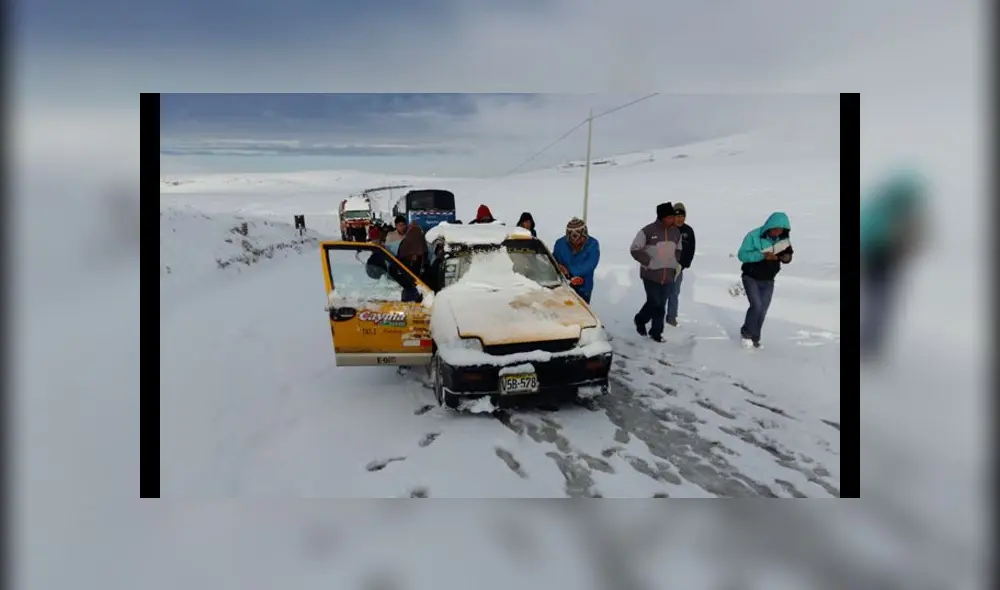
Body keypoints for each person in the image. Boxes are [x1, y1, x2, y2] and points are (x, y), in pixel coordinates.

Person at [859, 169, 927, 360]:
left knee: (878, 301)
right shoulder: (899, 212)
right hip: (884, 259)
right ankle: (871, 341)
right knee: (881, 302)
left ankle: (871, 340)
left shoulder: (881, 210)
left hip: (881, 258)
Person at [736, 212, 793, 349]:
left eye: (780, 230)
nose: (777, 232)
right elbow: (742, 255)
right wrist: (761, 255)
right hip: (751, 277)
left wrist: (783, 258)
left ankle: (755, 337)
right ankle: (746, 334)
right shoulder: (753, 236)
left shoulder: (783, 240)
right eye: (775, 229)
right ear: (769, 226)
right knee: (756, 305)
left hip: (768, 279)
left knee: (763, 310)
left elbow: (788, 256)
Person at [630, 203, 682, 342]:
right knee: (654, 302)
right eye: (670, 217)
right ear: (662, 217)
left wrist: (675, 263)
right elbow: (635, 249)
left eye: (673, 216)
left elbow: (679, 249)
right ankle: (640, 319)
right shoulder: (647, 231)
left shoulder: (676, 232)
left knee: (661, 304)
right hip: (651, 275)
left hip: (669, 275)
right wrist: (649, 262)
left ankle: (656, 332)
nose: (673, 219)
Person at [552, 217, 600, 304]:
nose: (578, 242)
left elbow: (590, 264)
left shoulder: (593, 244)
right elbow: (553, 261)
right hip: (561, 287)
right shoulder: (560, 244)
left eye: (581, 239)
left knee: (581, 312)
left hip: (584, 288)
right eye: (574, 240)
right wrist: (558, 266)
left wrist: (569, 271)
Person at [665, 202, 696, 327]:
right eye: (677, 216)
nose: (679, 218)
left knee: (674, 292)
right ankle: (657, 316)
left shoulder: (688, 231)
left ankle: (671, 317)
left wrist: (683, 265)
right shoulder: (666, 229)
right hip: (663, 267)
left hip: (678, 268)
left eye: (682, 216)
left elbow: (691, 250)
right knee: (660, 293)